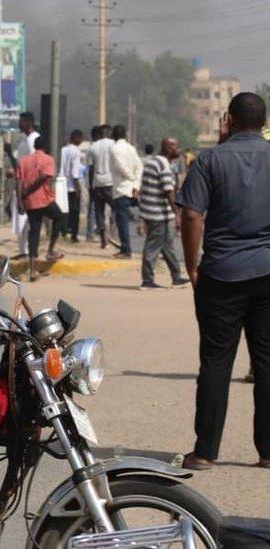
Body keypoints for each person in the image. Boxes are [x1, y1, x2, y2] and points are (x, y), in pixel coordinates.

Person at [177, 92, 270, 471]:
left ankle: (204, 452)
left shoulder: (209, 160)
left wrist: (192, 266)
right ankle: (267, 453)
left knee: (216, 362)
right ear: (263, 122)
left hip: (221, 272)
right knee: (267, 362)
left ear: (228, 119)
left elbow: (191, 217)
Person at [139, 138, 191, 290]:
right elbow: (169, 191)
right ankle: (147, 280)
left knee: (167, 245)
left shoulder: (153, 161)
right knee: (153, 246)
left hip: (152, 211)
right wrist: (178, 215)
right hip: (158, 214)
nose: (179, 150)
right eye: (176, 147)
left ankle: (176, 276)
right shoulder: (163, 165)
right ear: (168, 149)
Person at [18, 135, 64, 281]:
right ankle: (50, 250)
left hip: (30, 202)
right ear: (45, 147)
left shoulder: (23, 161)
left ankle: (32, 269)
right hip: (43, 199)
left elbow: (18, 182)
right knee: (59, 217)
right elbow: (44, 177)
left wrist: (21, 199)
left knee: (34, 231)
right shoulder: (48, 159)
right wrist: (30, 189)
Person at [109, 125, 143, 259]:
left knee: (122, 221)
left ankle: (126, 250)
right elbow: (139, 166)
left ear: (114, 135)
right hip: (132, 189)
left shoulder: (114, 149)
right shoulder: (131, 148)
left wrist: (131, 178)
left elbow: (121, 167)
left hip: (121, 189)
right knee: (129, 219)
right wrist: (136, 184)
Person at [10, 112, 40, 259]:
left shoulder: (33, 140)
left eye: (21, 122)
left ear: (28, 123)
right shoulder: (23, 142)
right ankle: (23, 251)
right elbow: (19, 166)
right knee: (20, 221)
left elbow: (34, 165)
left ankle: (28, 252)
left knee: (27, 222)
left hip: (29, 187)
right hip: (21, 186)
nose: (19, 125)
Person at [88, 124, 115, 248]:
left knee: (99, 211)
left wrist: (90, 185)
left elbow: (91, 169)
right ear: (109, 133)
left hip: (97, 182)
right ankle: (112, 234)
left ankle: (103, 238)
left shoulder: (93, 147)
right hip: (110, 182)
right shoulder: (113, 145)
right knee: (115, 208)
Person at [60, 129, 84, 243]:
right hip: (72, 186)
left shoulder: (63, 149)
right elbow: (75, 172)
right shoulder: (76, 151)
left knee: (64, 210)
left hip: (62, 184)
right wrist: (77, 187)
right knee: (75, 212)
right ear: (76, 138)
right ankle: (74, 235)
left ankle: (64, 231)